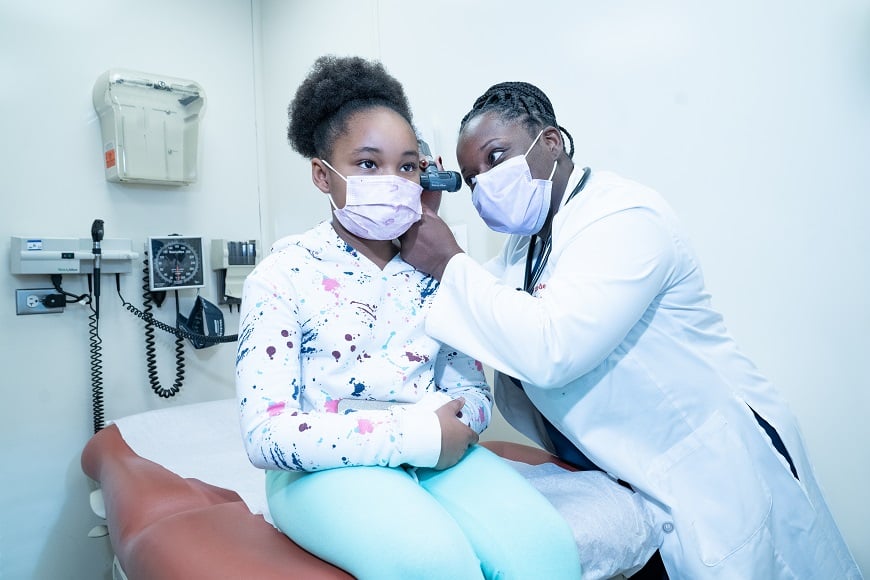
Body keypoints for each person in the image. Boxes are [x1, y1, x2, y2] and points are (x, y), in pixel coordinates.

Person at [399, 81, 862, 578]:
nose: (485, 184)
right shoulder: (526, 248)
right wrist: (423, 219)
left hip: (713, 464)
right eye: (471, 178)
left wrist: (449, 260)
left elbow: (549, 350)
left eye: (496, 157)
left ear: (550, 143)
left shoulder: (624, 216)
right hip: (638, 473)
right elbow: (479, 311)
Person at [235, 58, 582, 580]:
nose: (393, 180)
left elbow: (476, 394)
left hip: (440, 454)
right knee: (433, 564)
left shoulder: (434, 275)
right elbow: (266, 434)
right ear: (321, 174)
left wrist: (454, 427)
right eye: (369, 164)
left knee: (548, 552)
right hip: (320, 468)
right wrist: (415, 434)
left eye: (408, 166)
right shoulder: (283, 273)